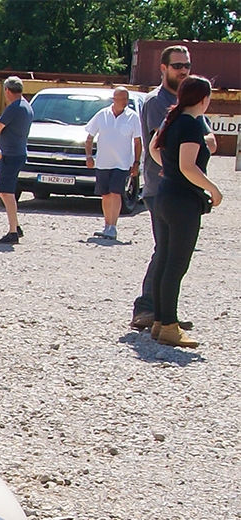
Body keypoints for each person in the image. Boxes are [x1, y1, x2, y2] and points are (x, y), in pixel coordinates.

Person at [130, 45, 217, 329]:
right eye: (177, 65)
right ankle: (149, 309)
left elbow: (205, 133)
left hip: (177, 186)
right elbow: (159, 143)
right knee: (167, 253)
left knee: (168, 252)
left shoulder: (185, 101)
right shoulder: (158, 101)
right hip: (163, 187)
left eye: (187, 65)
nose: (183, 70)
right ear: (163, 68)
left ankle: (163, 314)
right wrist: (171, 169)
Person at [143, 75, 222, 349]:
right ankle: (168, 326)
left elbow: (154, 149)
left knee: (165, 260)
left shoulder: (173, 119)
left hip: (166, 193)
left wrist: (169, 168)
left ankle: (160, 321)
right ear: (204, 99)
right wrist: (213, 188)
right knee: (177, 264)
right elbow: (189, 166)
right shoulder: (190, 123)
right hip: (182, 201)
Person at [83, 86, 143, 240]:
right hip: (103, 162)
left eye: (126, 99)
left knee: (116, 193)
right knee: (105, 194)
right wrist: (89, 156)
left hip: (122, 163)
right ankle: (107, 224)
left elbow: (137, 142)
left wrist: (136, 163)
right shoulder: (102, 114)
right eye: (121, 99)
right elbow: (89, 137)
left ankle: (113, 227)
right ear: (114, 100)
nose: (124, 102)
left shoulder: (133, 117)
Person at [0, 76, 32, 245]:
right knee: (4, 191)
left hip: (11, 155)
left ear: (7, 90)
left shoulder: (13, 108)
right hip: (17, 152)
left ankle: (13, 231)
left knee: (6, 192)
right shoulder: (26, 105)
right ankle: (16, 226)